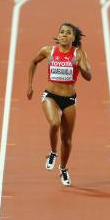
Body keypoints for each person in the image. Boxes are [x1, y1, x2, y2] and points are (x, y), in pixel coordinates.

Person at [26, 23, 92, 186]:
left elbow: (89, 76)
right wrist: (29, 85)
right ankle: (53, 152)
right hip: (51, 96)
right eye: (61, 32)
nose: (63, 35)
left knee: (67, 140)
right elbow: (33, 62)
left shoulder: (79, 53)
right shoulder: (48, 50)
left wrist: (80, 66)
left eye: (68, 33)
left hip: (69, 100)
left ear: (73, 38)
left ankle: (63, 169)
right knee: (54, 123)